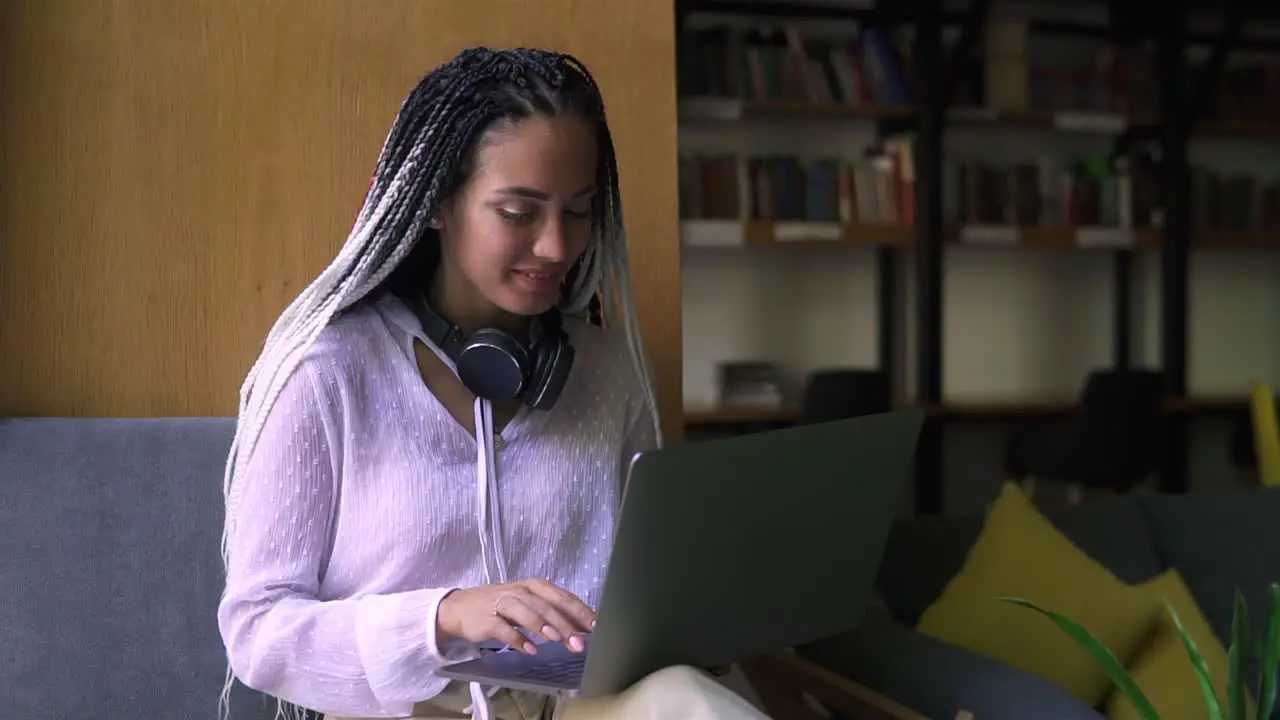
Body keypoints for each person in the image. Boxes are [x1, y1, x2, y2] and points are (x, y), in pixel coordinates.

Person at [216, 47, 770, 720]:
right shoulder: (327, 372)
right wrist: (443, 617)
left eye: (578, 210)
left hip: (579, 706)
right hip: (406, 713)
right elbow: (258, 634)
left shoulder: (610, 371)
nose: (558, 248)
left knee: (694, 702)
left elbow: (645, 596)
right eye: (518, 212)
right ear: (438, 203)